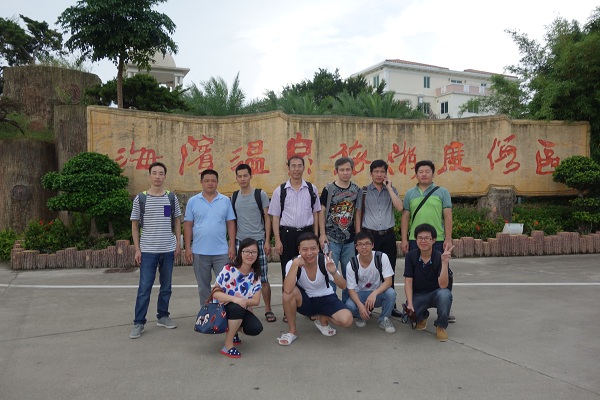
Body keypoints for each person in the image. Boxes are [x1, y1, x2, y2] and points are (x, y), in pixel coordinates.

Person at [129, 162, 182, 339]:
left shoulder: (171, 198)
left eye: (161, 173)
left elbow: (176, 221)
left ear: (165, 176)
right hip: (148, 251)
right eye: (154, 173)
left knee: (166, 286)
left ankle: (163, 316)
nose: (158, 176)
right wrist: (137, 249)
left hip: (168, 249)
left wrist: (178, 243)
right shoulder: (140, 199)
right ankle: (139, 322)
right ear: (149, 175)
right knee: (144, 288)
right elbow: (135, 225)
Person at [400, 159, 455, 322]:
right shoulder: (410, 194)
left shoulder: (442, 192)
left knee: (444, 272)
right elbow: (405, 218)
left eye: (427, 171)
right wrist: (404, 239)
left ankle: (444, 310)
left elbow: (448, 216)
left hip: (437, 240)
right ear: (416, 174)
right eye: (420, 172)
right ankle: (414, 305)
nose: (424, 174)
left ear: (433, 173)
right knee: (414, 274)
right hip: (415, 240)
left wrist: (448, 238)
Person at [277, 232, 353, 346]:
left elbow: (343, 286)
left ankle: (323, 317)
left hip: (326, 297)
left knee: (347, 320)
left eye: (313, 248)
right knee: (288, 295)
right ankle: (292, 331)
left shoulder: (325, 261)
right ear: (299, 249)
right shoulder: (292, 263)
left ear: (318, 248)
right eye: (305, 249)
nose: (309, 253)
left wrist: (333, 272)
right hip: (305, 301)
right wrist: (295, 265)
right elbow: (287, 290)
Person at [268, 156, 321, 303]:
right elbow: (275, 217)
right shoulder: (280, 191)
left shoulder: (311, 189)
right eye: (293, 166)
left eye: (299, 166)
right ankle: (288, 307)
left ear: (304, 168)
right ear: (288, 168)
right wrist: (277, 240)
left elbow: (316, 214)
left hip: (307, 234)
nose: (296, 169)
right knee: (288, 271)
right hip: (287, 235)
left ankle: (309, 306)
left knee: (309, 271)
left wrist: (316, 237)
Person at [356, 159, 403, 317]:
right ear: (371, 173)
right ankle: (366, 305)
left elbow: (400, 207)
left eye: (382, 171)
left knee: (389, 271)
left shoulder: (391, 189)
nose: (379, 174)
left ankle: (391, 305)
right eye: (376, 171)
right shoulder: (363, 191)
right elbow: (358, 214)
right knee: (369, 271)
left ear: (386, 174)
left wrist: (389, 188)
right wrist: (359, 237)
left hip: (388, 236)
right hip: (370, 236)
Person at [184, 169, 236, 306]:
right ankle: (206, 313)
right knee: (203, 288)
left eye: (213, 181)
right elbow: (188, 225)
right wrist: (188, 248)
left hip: (221, 252)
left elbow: (231, 223)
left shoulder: (225, 200)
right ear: (201, 182)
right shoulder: (193, 201)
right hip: (199, 252)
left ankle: (224, 313)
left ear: (217, 182)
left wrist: (231, 246)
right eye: (206, 181)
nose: (210, 183)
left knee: (225, 285)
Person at [231, 163, 275, 323]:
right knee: (242, 277)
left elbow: (267, 218)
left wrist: (267, 241)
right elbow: (233, 221)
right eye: (239, 176)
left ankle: (268, 309)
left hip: (258, 242)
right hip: (241, 243)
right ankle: (246, 309)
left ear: (250, 176)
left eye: (245, 175)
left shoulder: (259, 194)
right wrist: (232, 244)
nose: (243, 179)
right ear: (236, 178)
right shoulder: (234, 197)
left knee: (262, 278)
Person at [318, 157, 362, 303]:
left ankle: (348, 305)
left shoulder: (356, 190)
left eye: (348, 169)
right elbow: (322, 212)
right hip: (331, 240)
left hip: (349, 241)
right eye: (342, 170)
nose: (345, 172)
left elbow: (357, 213)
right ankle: (331, 304)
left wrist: (358, 237)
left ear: (352, 170)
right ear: (336, 171)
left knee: (349, 274)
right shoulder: (329, 189)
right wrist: (322, 234)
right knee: (331, 273)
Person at [212, 238, 263, 358]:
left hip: (240, 307)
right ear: (240, 252)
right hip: (222, 308)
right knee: (237, 308)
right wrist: (235, 299)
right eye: (247, 251)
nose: (250, 255)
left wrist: (241, 301)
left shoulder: (255, 274)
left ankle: (233, 331)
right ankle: (228, 345)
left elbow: (256, 301)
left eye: (254, 252)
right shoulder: (229, 269)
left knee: (256, 328)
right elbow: (215, 293)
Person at [403, 223, 454, 342]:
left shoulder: (440, 256)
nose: (423, 241)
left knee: (445, 294)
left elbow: (443, 285)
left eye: (427, 238)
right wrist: (410, 304)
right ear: (416, 240)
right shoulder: (410, 256)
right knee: (407, 317)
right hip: (418, 294)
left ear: (433, 240)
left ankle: (441, 326)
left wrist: (445, 263)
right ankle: (422, 317)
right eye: (420, 238)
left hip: (436, 293)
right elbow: (408, 281)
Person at [345, 231, 397, 333]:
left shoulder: (381, 257)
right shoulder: (352, 264)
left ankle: (384, 319)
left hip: (376, 294)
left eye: (367, 243)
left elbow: (388, 281)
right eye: (360, 244)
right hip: (361, 295)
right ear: (356, 247)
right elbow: (351, 290)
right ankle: (362, 315)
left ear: (372, 245)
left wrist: (374, 293)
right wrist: (360, 305)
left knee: (391, 293)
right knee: (350, 305)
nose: (364, 247)